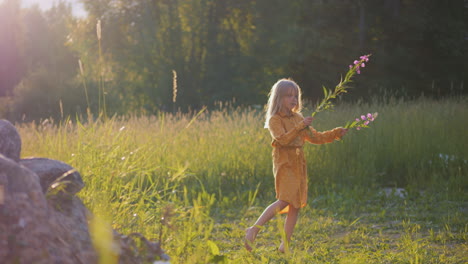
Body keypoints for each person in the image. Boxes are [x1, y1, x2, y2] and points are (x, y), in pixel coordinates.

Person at [244, 78, 348, 253]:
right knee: (284, 199)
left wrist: (336, 133)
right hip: (285, 163)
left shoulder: (298, 117)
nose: (293, 99)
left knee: (296, 204)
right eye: (288, 96)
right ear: (278, 98)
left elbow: (316, 138)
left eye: (295, 96)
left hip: (299, 163)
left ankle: (285, 244)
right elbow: (282, 139)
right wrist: (300, 126)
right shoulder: (274, 120)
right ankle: (254, 229)